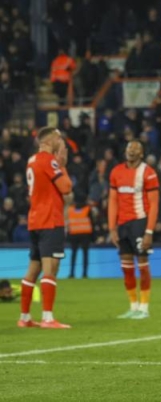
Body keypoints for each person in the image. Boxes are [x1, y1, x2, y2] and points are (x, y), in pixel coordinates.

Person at [19, 127, 73, 328]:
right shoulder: (49, 160)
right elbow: (66, 187)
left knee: (33, 268)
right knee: (51, 269)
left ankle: (24, 318)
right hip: (50, 220)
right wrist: (63, 165)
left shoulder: (31, 160)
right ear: (51, 140)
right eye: (59, 139)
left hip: (35, 220)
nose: (62, 143)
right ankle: (48, 318)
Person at [109, 141, 160, 319]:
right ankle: (133, 305)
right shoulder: (116, 172)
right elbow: (113, 201)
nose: (131, 151)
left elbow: (154, 204)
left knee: (143, 265)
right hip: (122, 225)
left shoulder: (149, 173)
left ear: (142, 154)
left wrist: (149, 231)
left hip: (140, 222)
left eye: (136, 149)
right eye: (129, 148)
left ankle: (144, 308)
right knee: (126, 267)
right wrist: (111, 227)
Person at [66, 192, 93, 279]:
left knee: (73, 254)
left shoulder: (70, 209)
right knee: (85, 254)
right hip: (85, 235)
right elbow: (92, 222)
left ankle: (71, 273)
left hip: (74, 234)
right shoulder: (88, 209)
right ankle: (84, 274)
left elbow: (68, 224)